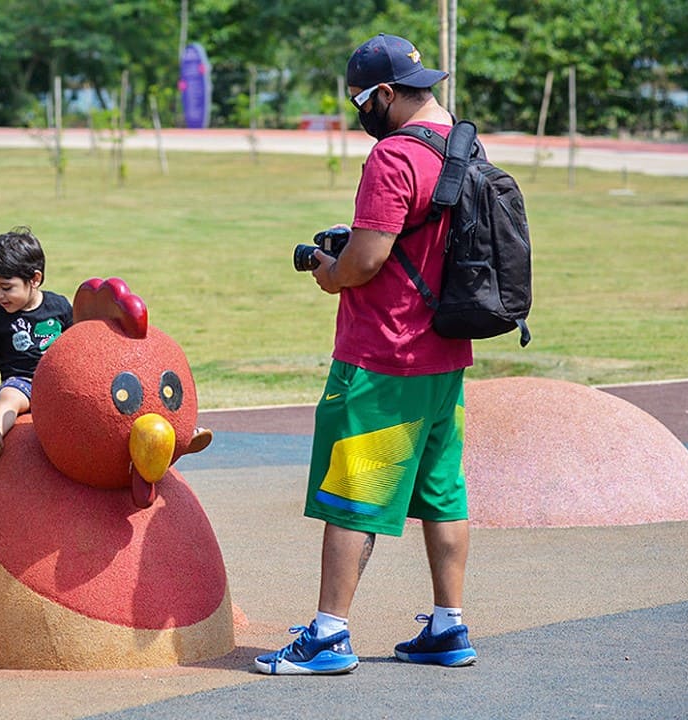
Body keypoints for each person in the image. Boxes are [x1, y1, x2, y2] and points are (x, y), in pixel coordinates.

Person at [255, 33, 478, 675]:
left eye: (361, 101)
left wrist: (329, 268)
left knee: (354, 493)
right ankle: (447, 625)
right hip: (444, 354)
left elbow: (366, 262)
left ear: (384, 95)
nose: (361, 115)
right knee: (441, 492)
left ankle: (328, 635)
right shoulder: (461, 145)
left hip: (384, 355)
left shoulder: (393, 159)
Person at [0, 226, 73, 459]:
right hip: (22, 384)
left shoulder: (59, 307)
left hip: (58, 381)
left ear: (35, 279)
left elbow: (75, 346)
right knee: (7, 398)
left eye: (6, 288)